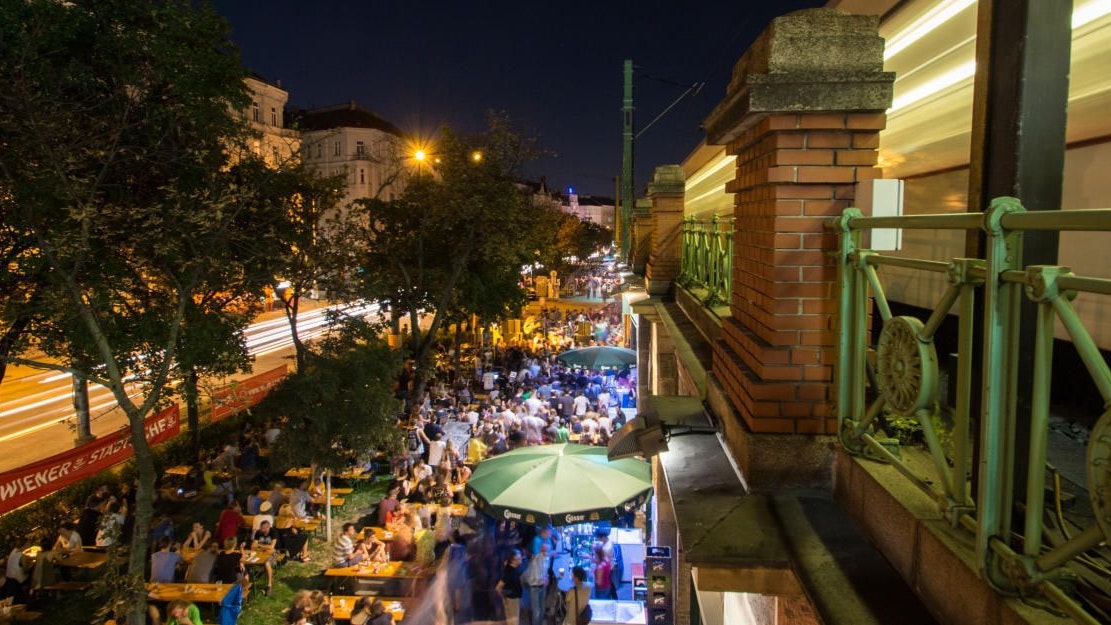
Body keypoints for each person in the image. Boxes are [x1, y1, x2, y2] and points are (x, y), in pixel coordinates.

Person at [523, 542, 551, 625]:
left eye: (547, 550)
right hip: (534, 587)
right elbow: (533, 577)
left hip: (542, 587)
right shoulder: (536, 559)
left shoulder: (546, 559)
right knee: (536, 611)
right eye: (544, 550)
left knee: (542, 608)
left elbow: (545, 572)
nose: (546, 552)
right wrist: (543, 580)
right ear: (541, 550)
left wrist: (547, 578)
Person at [494, 549, 523, 625]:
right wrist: (503, 597)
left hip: (514, 599)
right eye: (519, 559)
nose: (521, 560)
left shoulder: (513, 569)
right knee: (513, 622)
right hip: (511, 600)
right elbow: (498, 588)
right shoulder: (509, 573)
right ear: (513, 560)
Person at [251, 520, 279, 595]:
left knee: (267, 563)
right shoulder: (258, 532)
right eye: (261, 528)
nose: (261, 530)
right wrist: (264, 547)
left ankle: (269, 585)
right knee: (249, 560)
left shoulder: (273, 532)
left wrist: (260, 545)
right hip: (260, 552)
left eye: (263, 528)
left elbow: (272, 547)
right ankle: (249, 583)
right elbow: (253, 546)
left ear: (268, 527)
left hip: (272, 553)